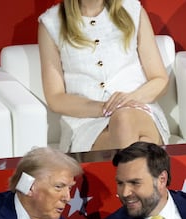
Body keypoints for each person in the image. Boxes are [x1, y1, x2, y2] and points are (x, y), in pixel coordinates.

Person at [37, 0, 170, 153]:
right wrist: (105, 108)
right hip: (86, 122)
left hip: (139, 111)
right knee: (141, 146)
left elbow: (160, 79)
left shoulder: (132, 9)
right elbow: (56, 98)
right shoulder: (52, 22)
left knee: (124, 120)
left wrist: (131, 99)